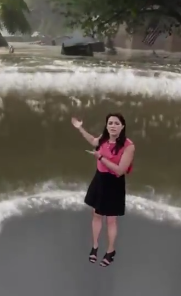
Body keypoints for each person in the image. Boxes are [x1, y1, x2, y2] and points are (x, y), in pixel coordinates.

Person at [71, 113, 135, 267]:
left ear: (122, 126)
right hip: (99, 180)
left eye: (116, 123)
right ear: (107, 125)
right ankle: (94, 247)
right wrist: (80, 129)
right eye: (110, 123)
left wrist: (100, 158)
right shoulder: (105, 138)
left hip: (114, 183)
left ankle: (110, 251)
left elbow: (120, 170)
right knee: (97, 215)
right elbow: (94, 141)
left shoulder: (129, 146)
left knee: (111, 219)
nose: (113, 126)